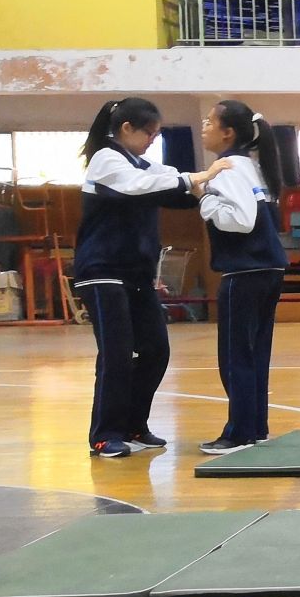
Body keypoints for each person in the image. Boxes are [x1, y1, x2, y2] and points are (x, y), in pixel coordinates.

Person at [69, 98, 224, 458]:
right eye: (149, 133)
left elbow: (165, 180)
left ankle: (134, 424)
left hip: (136, 274)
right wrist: (193, 178)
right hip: (103, 272)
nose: (153, 139)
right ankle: (105, 434)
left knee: (155, 350)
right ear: (126, 129)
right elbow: (139, 186)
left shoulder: (140, 163)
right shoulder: (106, 160)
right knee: (116, 353)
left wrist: (208, 187)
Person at [197, 99, 289, 456]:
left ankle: (237, 433)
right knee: (254, 353)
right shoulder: (250, 165)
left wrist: (203, 199)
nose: (204, 127)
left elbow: (241, 220)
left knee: (236, 355)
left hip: (246, 270)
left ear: (228, 132)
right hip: (268, 267)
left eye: (209, 121)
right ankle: (255, 428)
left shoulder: (229, 168)